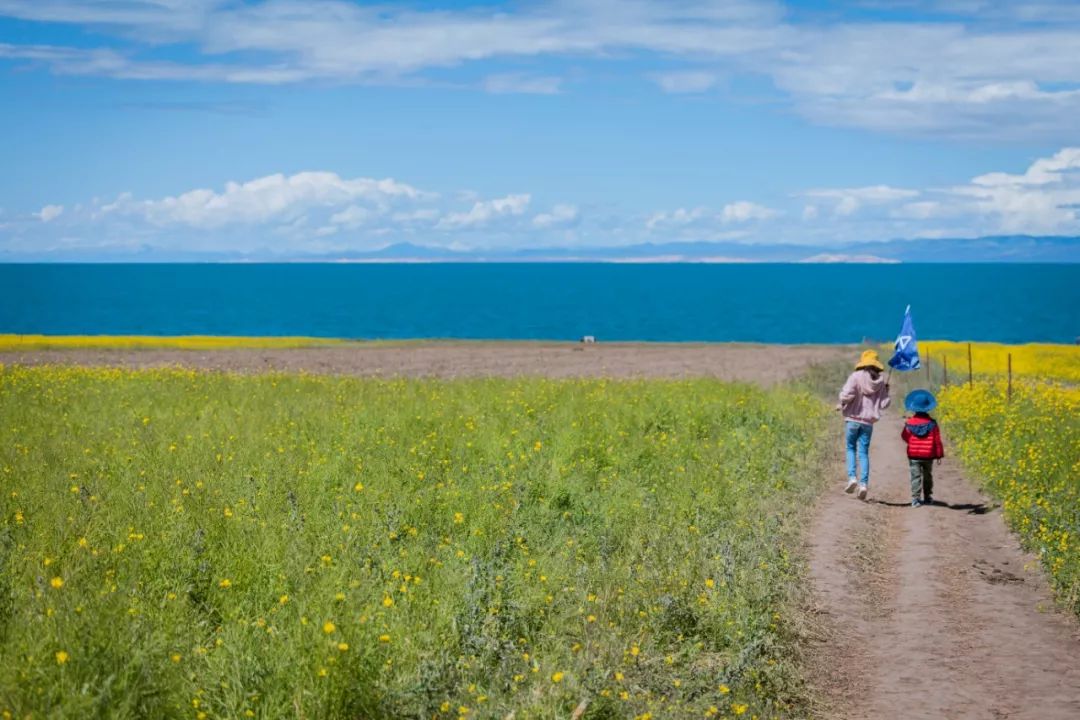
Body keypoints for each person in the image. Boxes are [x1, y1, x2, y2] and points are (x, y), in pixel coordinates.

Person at [838, 349, 891, 500]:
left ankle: (852, 478)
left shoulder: (855, 376)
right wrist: (886, 391)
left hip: (853, 419)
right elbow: (884, 404)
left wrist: (842, 400)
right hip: (868, 423)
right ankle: (863, 485)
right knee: (863, 453)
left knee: (850, 448)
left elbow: (846, 396)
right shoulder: (880, 382)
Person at [901, 389, 945, 507]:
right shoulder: (933, 423)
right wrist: (939, 454)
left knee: (915, 476)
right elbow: (937, 441)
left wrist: (912, 443)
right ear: (928, 407)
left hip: (913, 455)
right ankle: (927, 497)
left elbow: (904, 436)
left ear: (914, 407)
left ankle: (915, 499)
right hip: (928, 455)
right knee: (927, 476)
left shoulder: (910, 423)